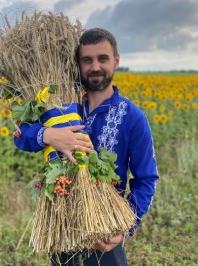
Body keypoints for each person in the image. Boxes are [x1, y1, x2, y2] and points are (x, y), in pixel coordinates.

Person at [14, 28, 159, 266]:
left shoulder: (133, 117)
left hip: (105, 231)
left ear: (116, 61)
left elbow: (146, 179)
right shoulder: (57, 105)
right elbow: (19, 136)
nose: (95, 67)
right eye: (87, 60)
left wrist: (125, 229)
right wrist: (49, 134)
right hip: (61, 226)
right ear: (78, 65)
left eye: (103, 58)